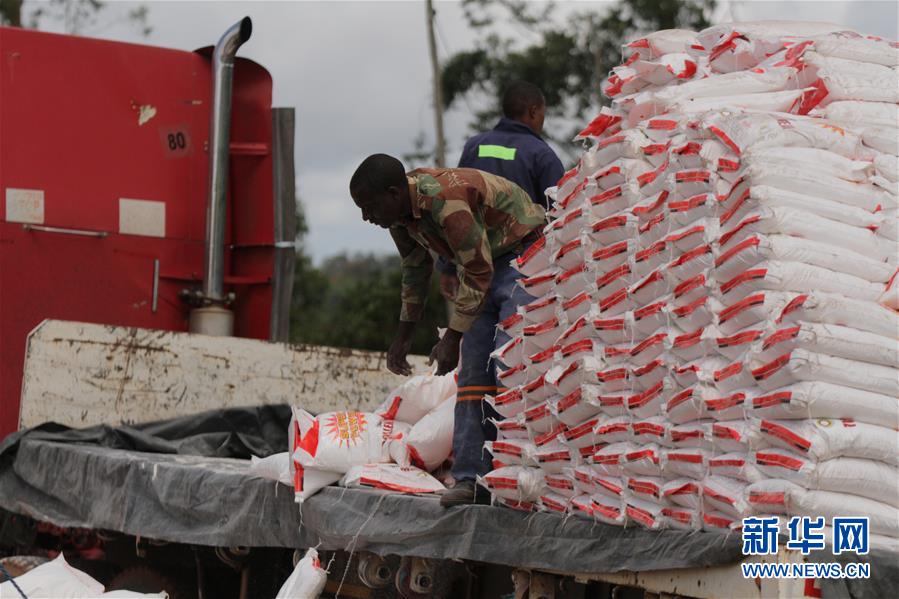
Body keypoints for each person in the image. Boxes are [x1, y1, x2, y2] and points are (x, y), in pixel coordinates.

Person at [349, 154, 545, 506]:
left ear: (393, 194)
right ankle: (472, 479)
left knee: (512, 364)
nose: (366, 217)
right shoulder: (398, 217)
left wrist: (452, 338)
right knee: (472, 375)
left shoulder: (444, 201)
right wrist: (403, 335)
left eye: (369, 207)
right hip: (481, 265)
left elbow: (479, 269)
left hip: (522, 254)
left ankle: (522, 474)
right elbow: (415, 268)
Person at [438, 80, 564, 301]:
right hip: (521, 269)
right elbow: (560, 216)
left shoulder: (475, 147)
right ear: (533, 111)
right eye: (543, 115)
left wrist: (448, 266)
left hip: (476, 267)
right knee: (515, 324)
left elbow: (456, 208)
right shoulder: (541, 154)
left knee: (478, 324)